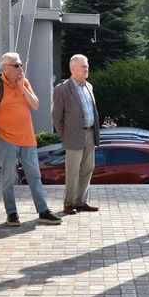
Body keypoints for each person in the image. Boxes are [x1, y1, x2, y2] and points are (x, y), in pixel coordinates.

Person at [0, 52, 61, 227]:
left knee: (35, 176)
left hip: (28, 139)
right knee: (9, 178)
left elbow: (35, 105)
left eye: (21, 65)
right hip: (7, 140)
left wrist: (22, 86)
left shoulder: (24, 82)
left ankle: (43, 211)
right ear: (5, 67)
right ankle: (11, 213)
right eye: (16, 65)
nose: (20, 68)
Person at [51, 54, 100, 215]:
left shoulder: (89, 86)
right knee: (73, 171)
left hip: (89, 133)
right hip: (73, 137)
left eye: (87, 66)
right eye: (83, 66)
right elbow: (57, 117)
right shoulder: (62, 89)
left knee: (87, 169)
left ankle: (81, 201)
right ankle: (69, 203)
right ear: (73, 68)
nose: (87, 69)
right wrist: (64, 136)